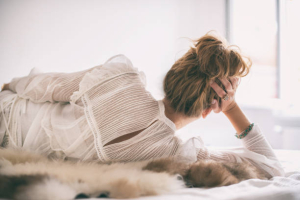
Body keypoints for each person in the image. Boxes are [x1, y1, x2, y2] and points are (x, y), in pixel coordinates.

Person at [0, 33, 284, 178]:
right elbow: (271, 168)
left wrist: (10, 85)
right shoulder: (175, 154)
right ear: (211, 108)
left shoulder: (120, 81)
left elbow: (47, 86)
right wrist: (232, 108)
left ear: (174, 74)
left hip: (8, 111)